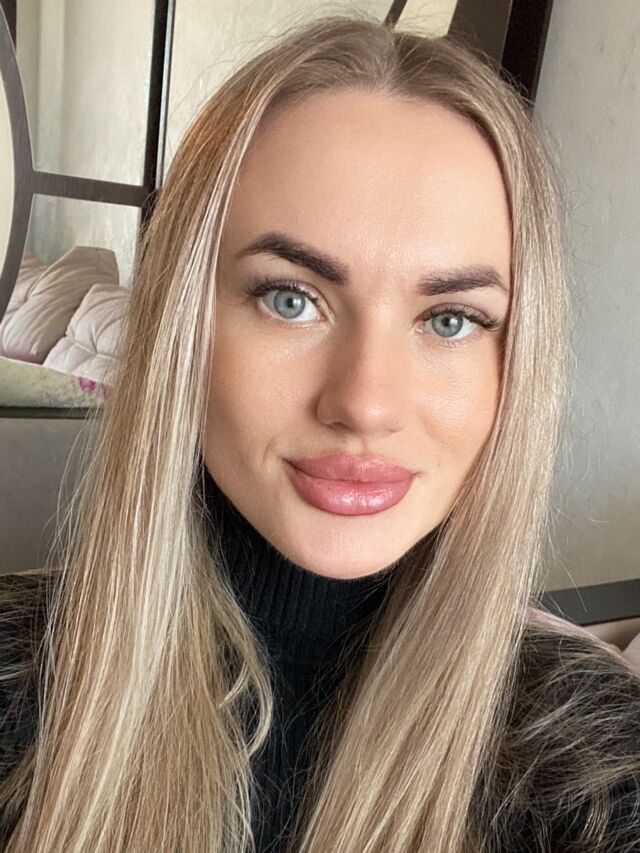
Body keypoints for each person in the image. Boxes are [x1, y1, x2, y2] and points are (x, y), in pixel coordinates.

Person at [1, 13, 639, 853]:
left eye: (450, 318)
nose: (365, 403)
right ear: (183, 328)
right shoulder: (17, 682)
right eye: (290, 298)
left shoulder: (595, 760)